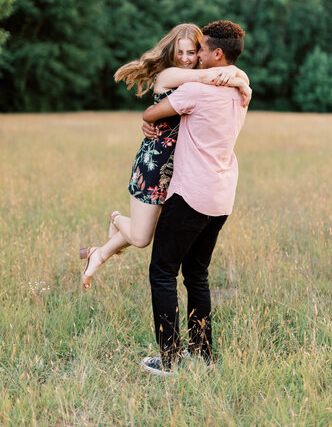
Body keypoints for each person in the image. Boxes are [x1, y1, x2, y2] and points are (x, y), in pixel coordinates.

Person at [80, 23, 251, 291]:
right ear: (171, 52)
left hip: (184, 169)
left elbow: (226, 72)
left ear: (200, 53)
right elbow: (216, 76)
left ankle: (97, 254)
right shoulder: (169, 76)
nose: (185, 58)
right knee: (141, 237)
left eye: (192, 52)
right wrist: (241, 81)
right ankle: (115, 218)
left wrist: (241, 80)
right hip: (156, 161)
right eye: (180, 52)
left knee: (146, 231)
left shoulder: (202, 74)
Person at [140, 20, 250, 376]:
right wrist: (237, 76)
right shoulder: (241, 92)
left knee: (162, 272)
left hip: (190, 195)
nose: (196, 55)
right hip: (221, 199)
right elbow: (241, 79)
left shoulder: (196, 92)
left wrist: (151, 121)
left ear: (216, 54)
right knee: (197, 274)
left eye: (201, 50)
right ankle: (202, 354)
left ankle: (169, 360)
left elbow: (150, 112)